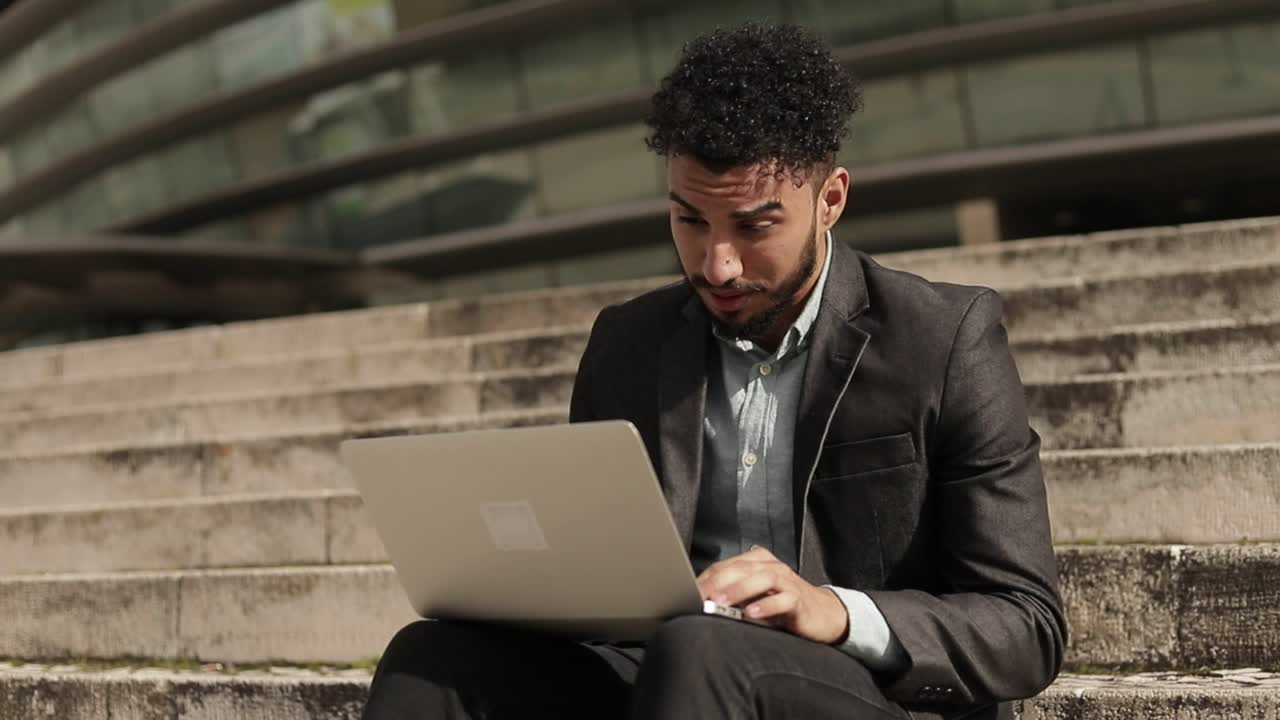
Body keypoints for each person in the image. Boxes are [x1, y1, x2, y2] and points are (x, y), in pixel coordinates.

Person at [362, 22, 1067, 720]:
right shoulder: (626, 343)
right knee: (431, 657)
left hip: (863, 692)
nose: (716, 264)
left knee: (698, 650)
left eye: (755, 227)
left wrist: (835, 612)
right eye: (690, 221)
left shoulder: (944, 338)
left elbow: (1026, 626)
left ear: (831, 200)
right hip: (668, 672)